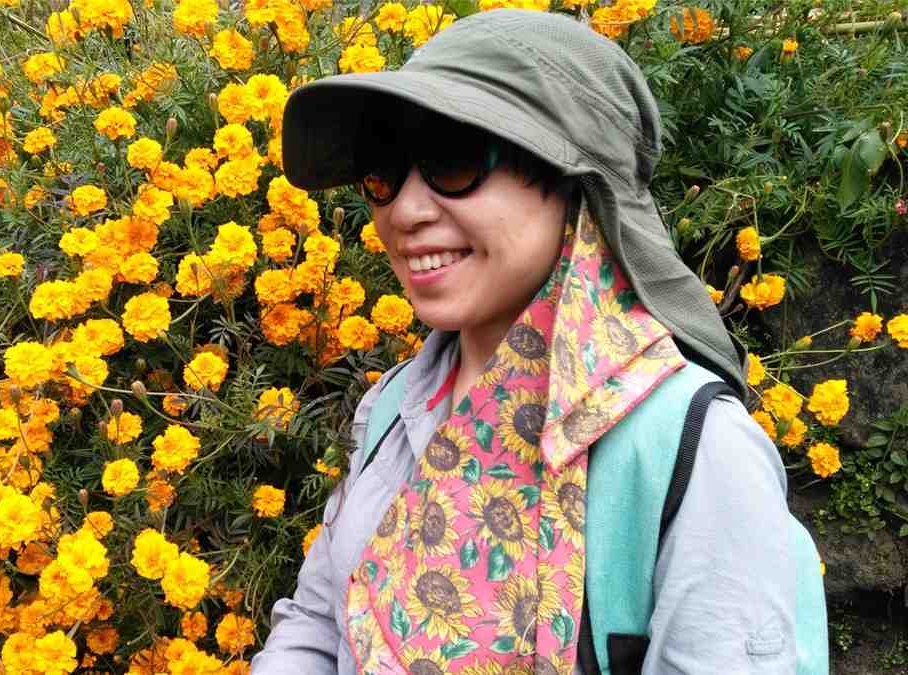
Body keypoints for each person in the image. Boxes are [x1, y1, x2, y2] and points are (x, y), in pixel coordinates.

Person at [251, 8, 810, 675]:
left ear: (572, 183)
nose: (402, 210)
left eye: (453, 161)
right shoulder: (397, 405)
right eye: (383, 173)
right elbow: (320, 622)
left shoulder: (693, 448)